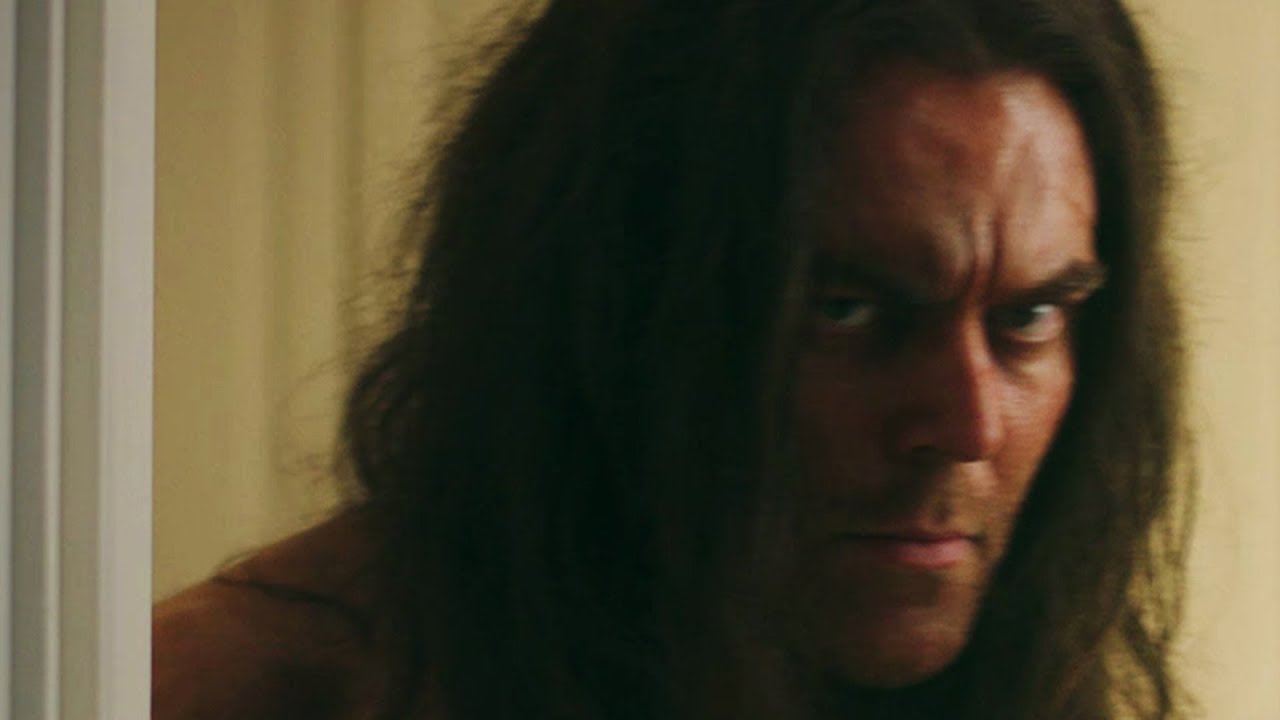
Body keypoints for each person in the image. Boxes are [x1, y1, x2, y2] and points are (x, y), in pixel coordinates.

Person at [153, 0, 1195, 718]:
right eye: (842, 310)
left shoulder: (1025, 679)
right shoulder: (235, 691)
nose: (966, 425)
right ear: (613, 307)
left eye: (1027, 318)